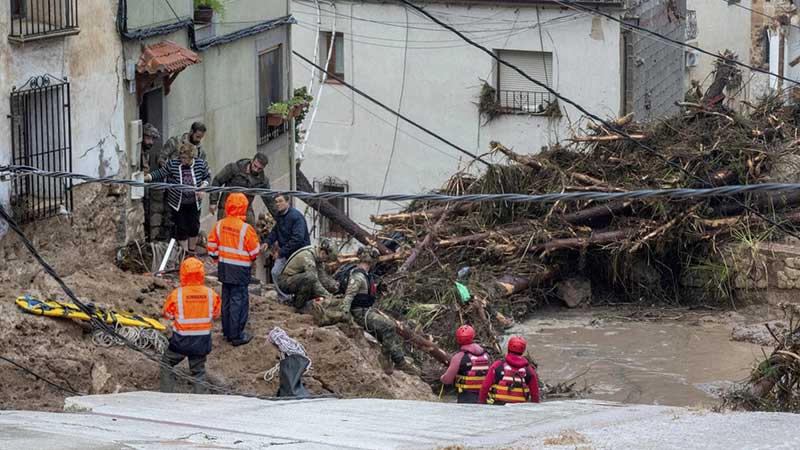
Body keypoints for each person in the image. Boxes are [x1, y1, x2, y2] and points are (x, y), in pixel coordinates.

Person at [340, 246, 419, 376]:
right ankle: (385, 359)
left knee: (389, 332)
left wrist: (378, 288)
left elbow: (364, 291)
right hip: (360, 313)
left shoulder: (365, 275)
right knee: (389, 326)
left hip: (366, 311)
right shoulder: (358, 276)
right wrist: (346, 316)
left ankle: (400, 360)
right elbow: (349, 296)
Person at [206, 193, 261, 346]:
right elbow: (254, 252)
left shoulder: (220, 224)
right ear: (244, 207)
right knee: (239, 301)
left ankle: (227, 332)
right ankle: (236, 336)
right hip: (240, 269)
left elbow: (211, 246)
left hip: (224, 267)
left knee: (226, 300)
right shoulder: (246, 228)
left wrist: (217, 258)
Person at [160, 257, 221, 394]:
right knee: (198, 372)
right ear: (201, 274)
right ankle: (199, 399)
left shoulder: (177, 294)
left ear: (183, 274)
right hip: (202, 341)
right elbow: (216, 314)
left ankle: (166, 395)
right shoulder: (211, 294)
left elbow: (167, 314)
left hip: (181, 340)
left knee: (166, 363)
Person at [145, 142, 210, 256]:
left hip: (194, 202)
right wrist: (148, 177)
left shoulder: (200, 164)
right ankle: (184, 253)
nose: (182, 160)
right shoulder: (173, 164)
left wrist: (203, 187)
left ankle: (191, 251)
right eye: (181, 157)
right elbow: (161, 172)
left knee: (194, 227)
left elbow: (207, 177)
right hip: (178, 202)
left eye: (185, 158)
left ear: (191, 157)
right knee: (181, 227)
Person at [263, 194, 310, 300]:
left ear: (287, 202)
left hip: (298, 253)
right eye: (276, 202)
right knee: (275, 272)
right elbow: (275, 231)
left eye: (280, 201)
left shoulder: (296, 217)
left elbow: (298, 238)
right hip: (286, 252)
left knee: (296, 277)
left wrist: (280, 252)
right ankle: (284, 298)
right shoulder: (280, 216)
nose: (278, 204)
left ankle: (297, 298)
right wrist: (267, 242)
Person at [209, 153, 277, 224]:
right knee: (226, 227)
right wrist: (213, 202)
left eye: (259, 169)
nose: (256, 170)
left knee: (250, 228)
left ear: (263, 168)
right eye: (255, 166)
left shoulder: (262, 181)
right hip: (227, 206)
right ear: (252, 161)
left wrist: (279, 218)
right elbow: (217, 181)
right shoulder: (234, 168)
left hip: (246, 208)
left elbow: (269, 201)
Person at [277, 240, 338, 310]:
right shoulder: (308, 255)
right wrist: (328, 296)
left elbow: (322, 278)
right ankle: (299, 306)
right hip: (285, 281)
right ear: (323, 252)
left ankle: (294, 301)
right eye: (327, 259)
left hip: (297, 279)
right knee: (310, 278)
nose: (326, 261)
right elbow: (314, 280)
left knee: (318, 283)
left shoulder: (318, 257)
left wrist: (334, 287)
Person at [479, 336, 540, 405]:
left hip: (498, 407)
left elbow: (485, 387)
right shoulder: (529, 370)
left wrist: (482, 403)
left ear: (508, 347)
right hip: (520, 408)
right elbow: (535, 394)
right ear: (523, 350)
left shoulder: (497, 365)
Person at [440, 324, 491, 403]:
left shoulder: (459, 357)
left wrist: (442, 378)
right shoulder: (486, 355)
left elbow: (447, 380)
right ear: (473, 336)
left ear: (458, 339)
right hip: (484, 397)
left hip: (466, 397)